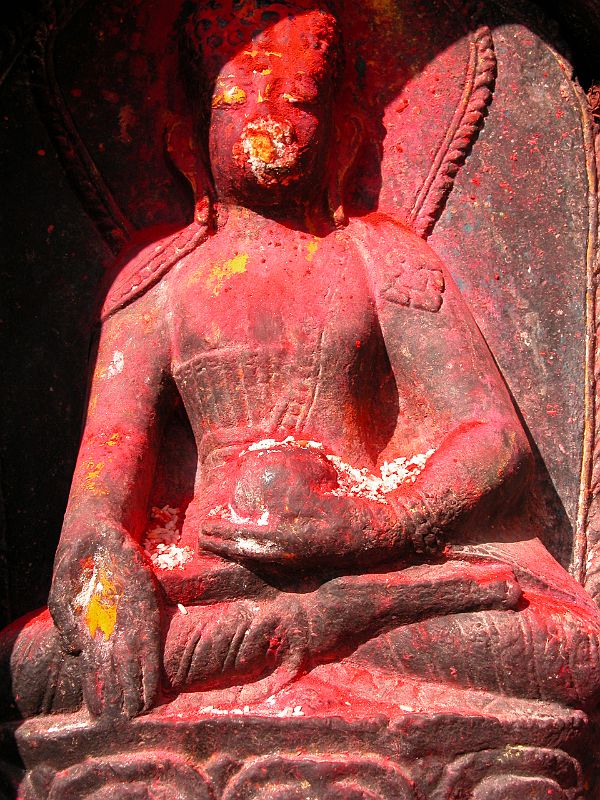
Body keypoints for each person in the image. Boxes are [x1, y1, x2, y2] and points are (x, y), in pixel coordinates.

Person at [2, 0, 600, 721]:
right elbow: (98, 504)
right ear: (188, 138)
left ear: (342, 136)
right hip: (210, 583)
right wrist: (106, 591)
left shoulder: (382, 259)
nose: (269, 115)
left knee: (569, 652)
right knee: (32, 665)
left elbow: (493, 438)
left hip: (383, 566)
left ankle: (311, 632)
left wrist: (383, 523)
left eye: (300, 98)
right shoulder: (156, 286)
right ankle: (316, 633)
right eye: (239, 94)